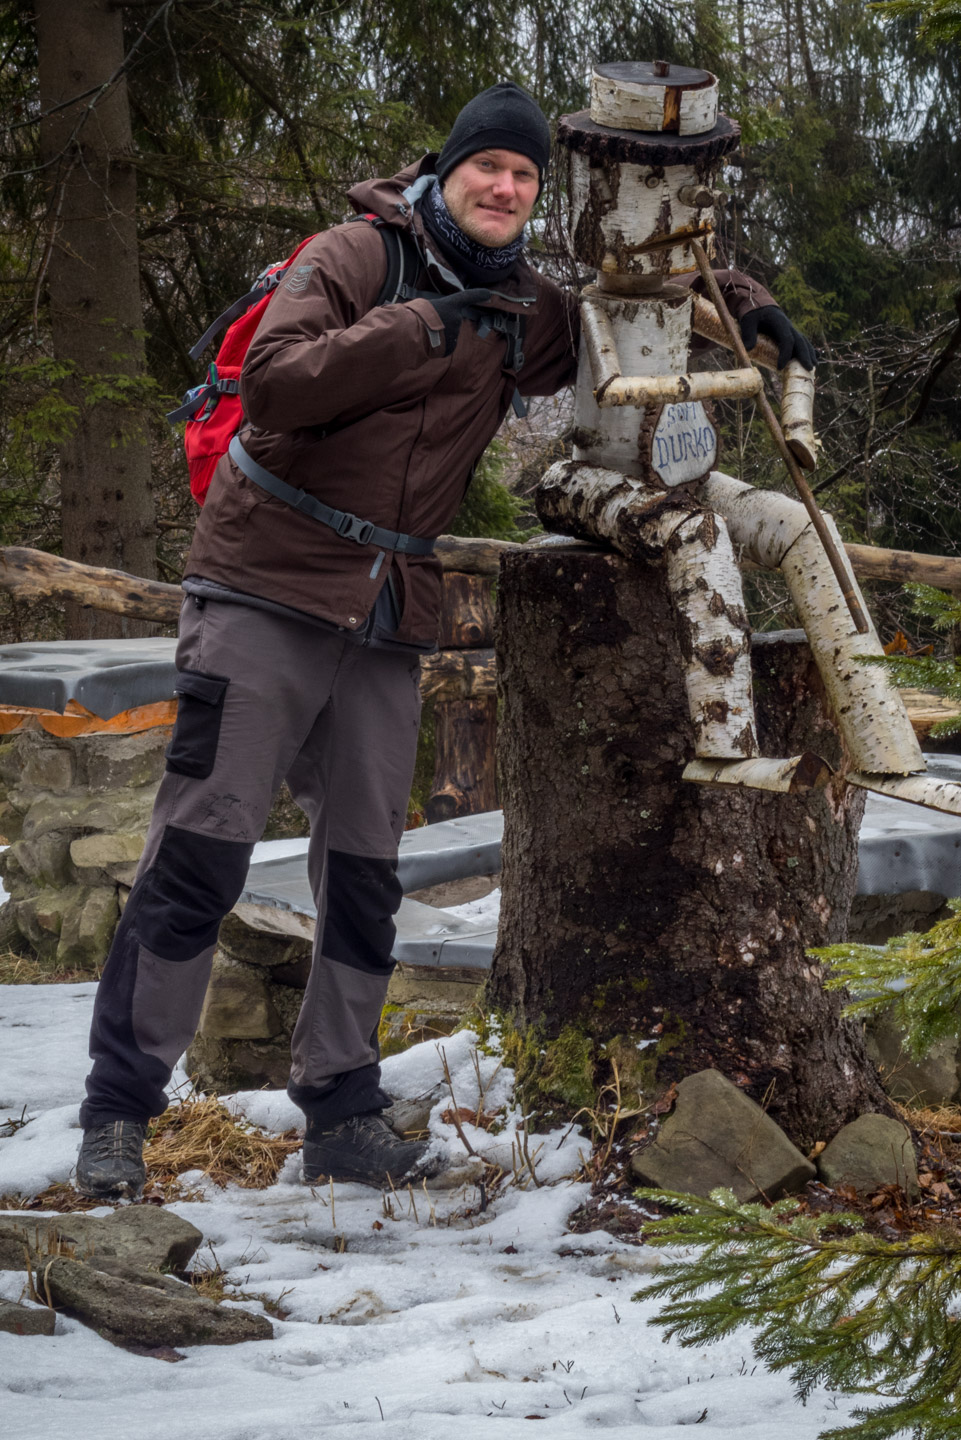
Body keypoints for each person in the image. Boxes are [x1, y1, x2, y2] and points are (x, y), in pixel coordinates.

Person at [76, 81, 813, 1199]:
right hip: (266, 586)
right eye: (489, 169)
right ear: (449, 170)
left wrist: (744, 307)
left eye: (522, 176)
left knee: (367, 874)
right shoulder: (357, 257)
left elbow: (630, 305)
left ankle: (341, 1110)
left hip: (384, 607)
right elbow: (275, 387)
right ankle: (117, 1114)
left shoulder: (522, 300)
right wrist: (417, 330)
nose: (505, 187)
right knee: (201, 854)